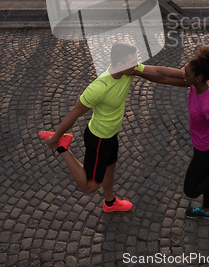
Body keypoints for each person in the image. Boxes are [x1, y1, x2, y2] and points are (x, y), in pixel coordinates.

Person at [39, 43, 176, 213]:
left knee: (109, 170)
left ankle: (110, 203)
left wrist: (187, 77)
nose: (137, 65)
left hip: (111, 136)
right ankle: (62, 147)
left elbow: (158, 72)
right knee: (89, 187)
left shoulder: (127, 70)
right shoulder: (99, 87)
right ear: (120, 65)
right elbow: (74, 114)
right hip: (98, 140)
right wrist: (54, 138)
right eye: (133, 62)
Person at [133, 46, 209, 219]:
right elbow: (163, 76)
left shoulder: (208, 105)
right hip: (202, 145)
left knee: (191, 191)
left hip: (206, 151)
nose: (183, 75)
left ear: (198, 78)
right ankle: (207, 211)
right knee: (206, 179)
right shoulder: (195, 85)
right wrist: (138, 72)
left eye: (186, 74)